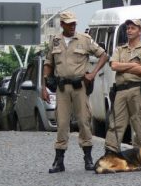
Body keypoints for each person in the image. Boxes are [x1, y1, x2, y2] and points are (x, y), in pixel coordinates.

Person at [42, 11, 108, 173]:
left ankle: (88, 158)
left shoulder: (84, 40)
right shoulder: (55, 41)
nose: (72, 26)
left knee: (84, 121)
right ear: (62, 24)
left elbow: (103, 55)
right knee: (62, 123)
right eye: (69, 24)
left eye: (74, 24)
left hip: (80, 87)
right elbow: (48, 63)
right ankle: (59, 161)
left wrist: (92, 74)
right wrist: (43, 85)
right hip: (62, 87)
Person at [104, 19, 141, 154]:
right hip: (121, 91)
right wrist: (134, 65)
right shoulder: (120, 49)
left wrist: (123, 67)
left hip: (137, 90)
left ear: (140, 31)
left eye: (133, 28)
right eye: (128, 28)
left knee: (139, 123)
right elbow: (114, 65)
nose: (129, 31)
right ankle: (111, 153)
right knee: (115, 123)